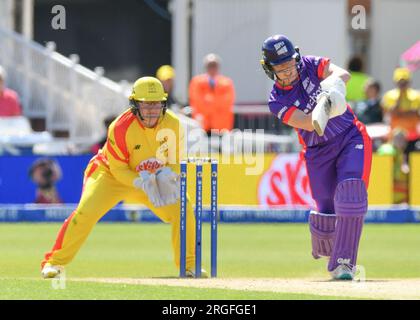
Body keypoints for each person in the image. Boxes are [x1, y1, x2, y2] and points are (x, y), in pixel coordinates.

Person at [41, 77, 204, 278]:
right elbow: (118, 169)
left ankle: (189, 266)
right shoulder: (120, 126)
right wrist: (141, 182)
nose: (152, 110)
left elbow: (175, 161)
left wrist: (167, 175)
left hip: (152, 178)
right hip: (109, 175)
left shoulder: (174, 124)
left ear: (163, 103)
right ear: (135, 105)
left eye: (156, 104)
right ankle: (54, 263)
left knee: (183, 208)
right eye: (146, 104)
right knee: (85, 212)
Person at [261, 35, 372, 280]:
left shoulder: (311, 64)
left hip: (349, 137)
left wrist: (331, 89)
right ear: (270, 70)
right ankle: (329, 248)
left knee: (351, 195)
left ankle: (344, 264)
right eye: (280, 68)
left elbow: (343, 74)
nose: (288, 71)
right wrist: (326, 104)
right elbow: (311, 125)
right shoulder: (276, 100)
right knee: (326, 211)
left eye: (290, 64)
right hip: (317, 151)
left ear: (297, 58)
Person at [189, 53, 235, 134]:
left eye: (214, 65)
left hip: (221, 127)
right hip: (202, 126)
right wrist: (215, 103)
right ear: (205, 67)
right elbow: (197, 101)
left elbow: (227, 101)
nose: (212, 68)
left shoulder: (227, 82)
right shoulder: (196, 82)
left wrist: (208, 100)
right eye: (209, 65)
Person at [382, 67, 420, 155]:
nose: (402, 84)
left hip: (413, 136)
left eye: (405, 82)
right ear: (396, 82)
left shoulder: (416, 95)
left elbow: (416, 114)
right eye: (400, 82)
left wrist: (400, 113)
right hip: (395, 137)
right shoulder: (389, 95)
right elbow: (391, 113)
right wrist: (399, 100)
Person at [377, 129, 409, 204]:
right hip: (386, 196)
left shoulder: (400, 152)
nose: (400, 141)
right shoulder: (387, 150)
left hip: (398, 198)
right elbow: (383, 173)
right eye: (398, 138)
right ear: (392, 138)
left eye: (402, 139)